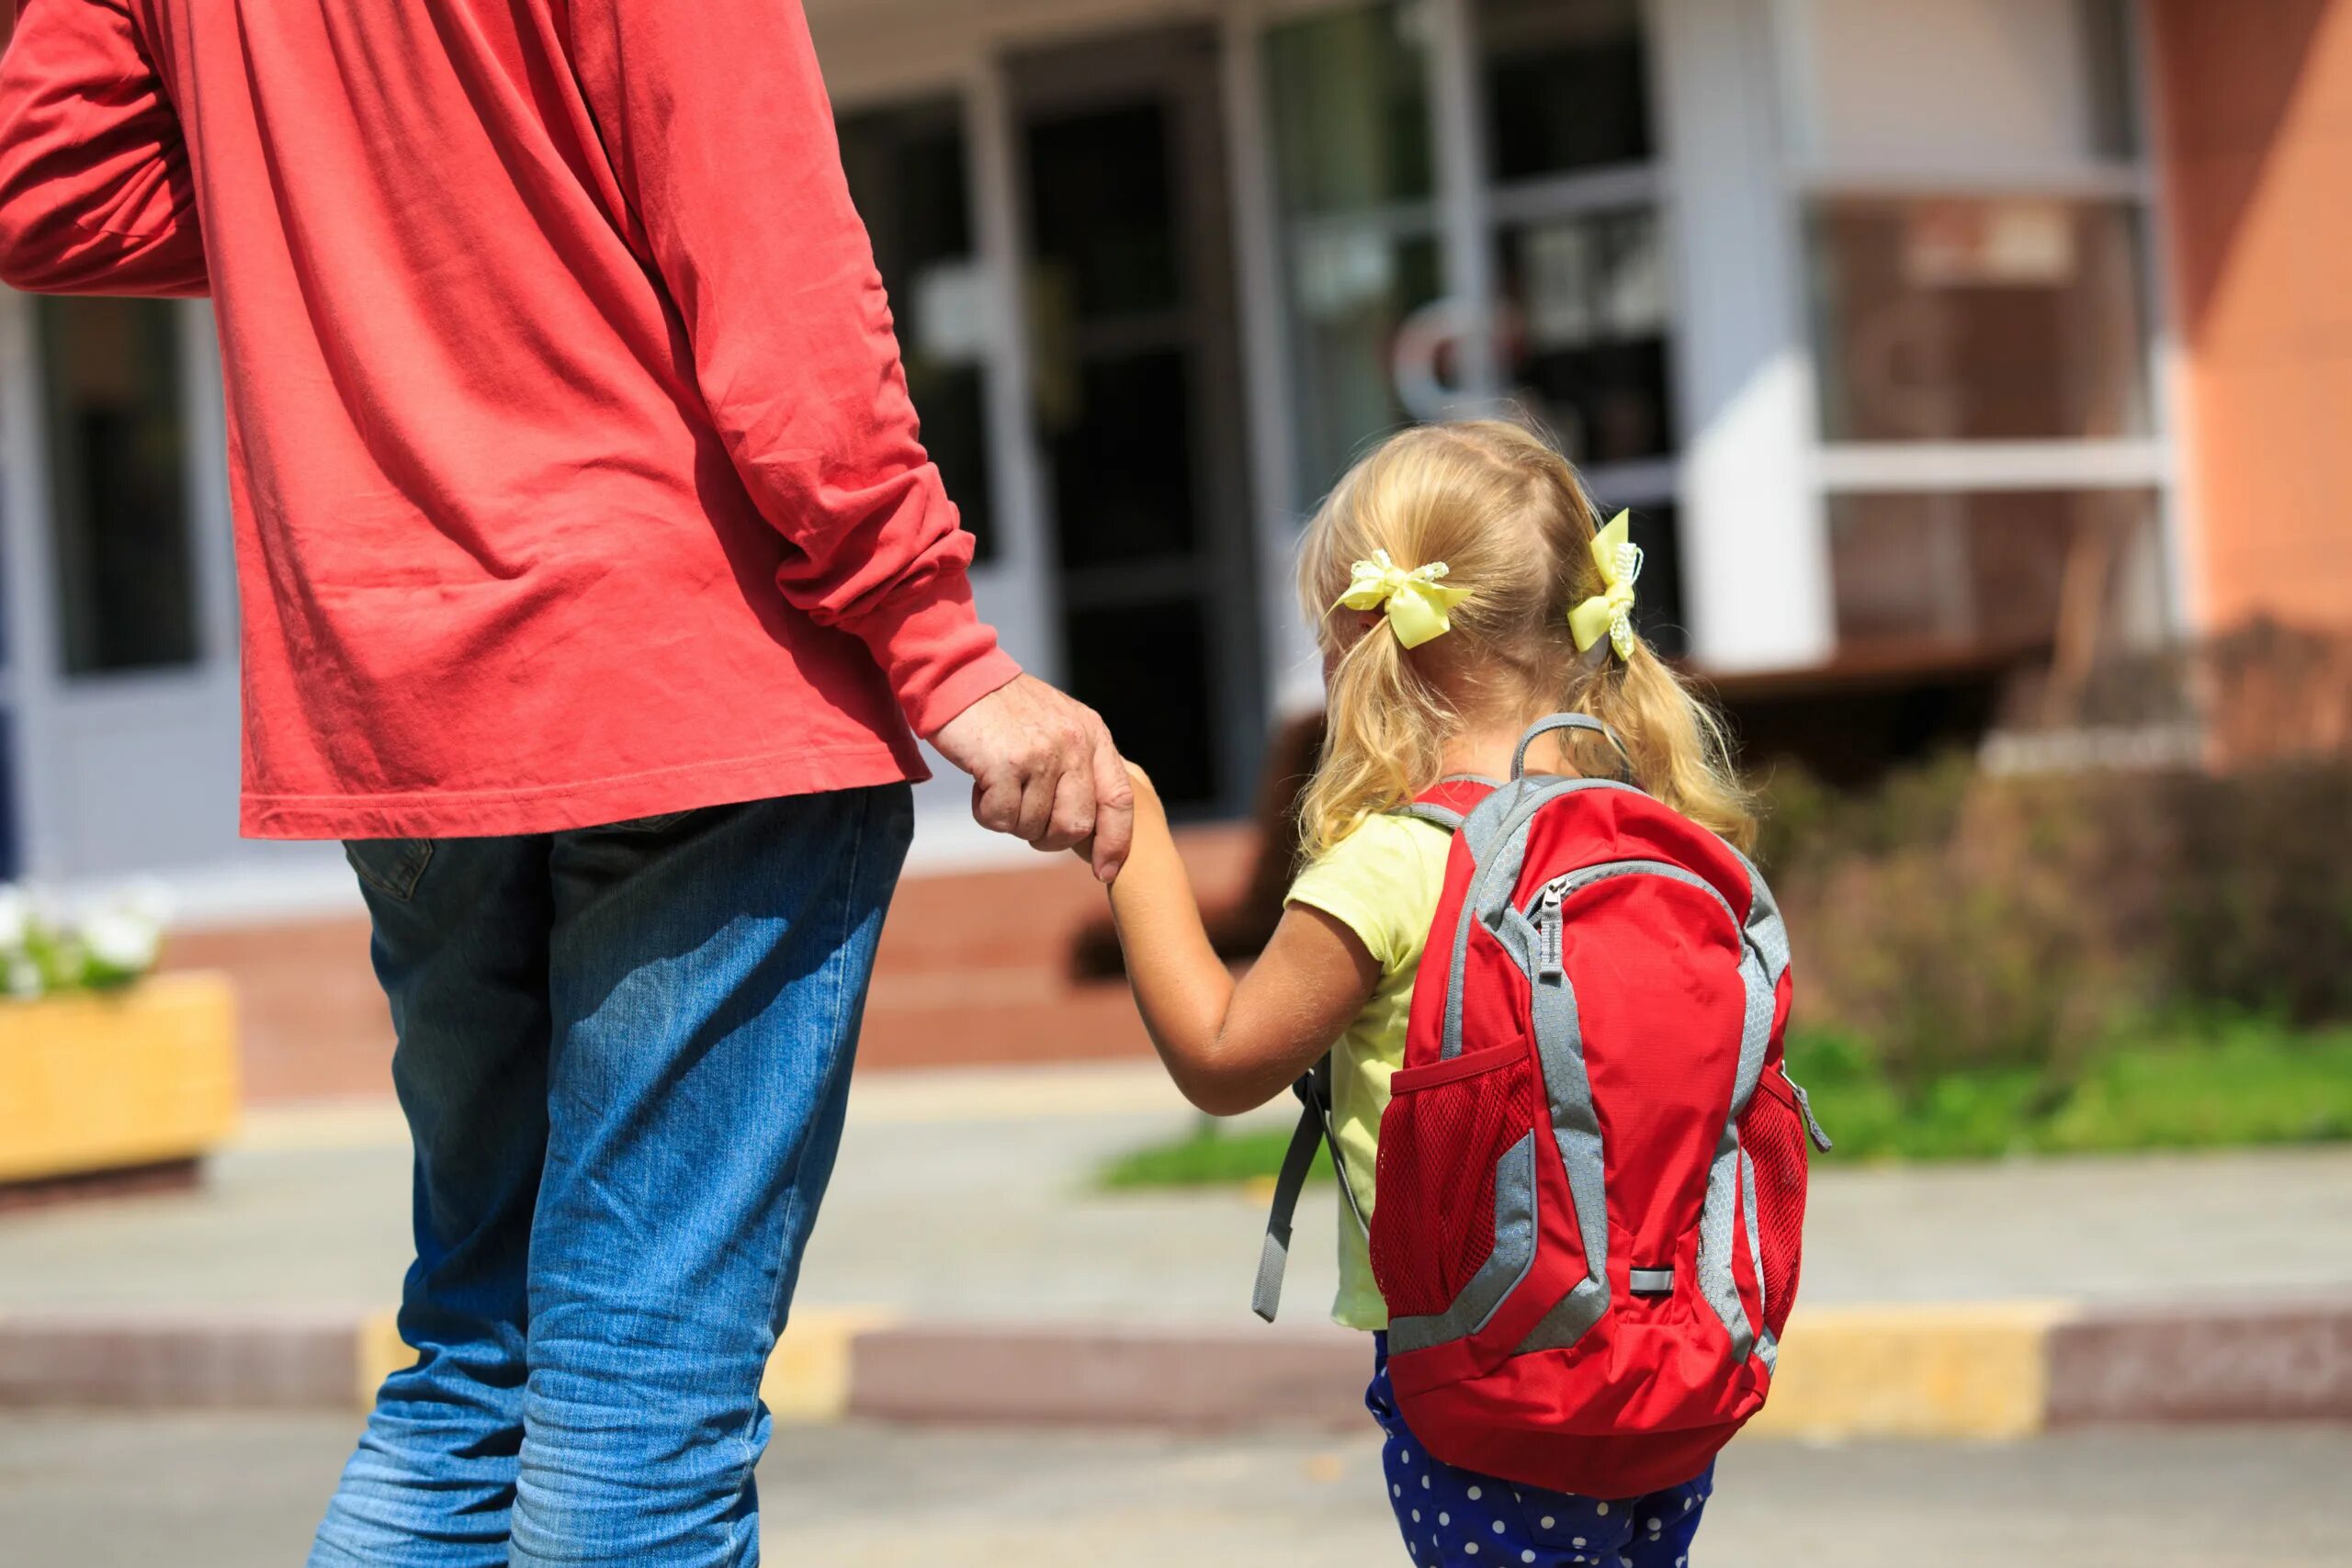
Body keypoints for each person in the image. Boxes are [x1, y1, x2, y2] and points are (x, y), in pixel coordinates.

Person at [0, 2, 1129, 1564]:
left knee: (478, 1359)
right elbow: (773, 265)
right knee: (634, 1396)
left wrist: (340, 196)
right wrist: (938, 645)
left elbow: (44, 182)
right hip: (682, 676)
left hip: (397, 693)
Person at [1087, 420, 1756, 1567]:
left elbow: (1219, 1052)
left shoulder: (1399, 860)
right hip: (1671, 1369)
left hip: (1489, 1385)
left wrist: (1135, 828)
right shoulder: (1653, 839)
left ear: (1363, 637)